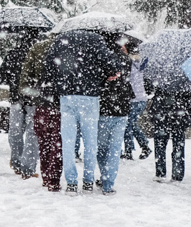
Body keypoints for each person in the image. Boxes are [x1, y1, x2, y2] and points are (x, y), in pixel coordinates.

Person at [47, 29, 129, 193]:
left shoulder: (61, 39)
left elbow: (49, 66)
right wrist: (107, 75)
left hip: (67, 96)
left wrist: (59, 84)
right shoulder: (95, 39)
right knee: (90, 143)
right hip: (89, 96)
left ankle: (71, 182)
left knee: (68, 142)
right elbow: (112, 64)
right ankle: (88, 180)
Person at [18, 36, 62, 191]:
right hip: (60, 103)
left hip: (42, 103)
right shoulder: (68, 48)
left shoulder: (39, 49)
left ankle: (46, 176)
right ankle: (53, 178)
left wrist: (34, 93)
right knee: (56, 143)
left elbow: (25, 79)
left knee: (43, 141)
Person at [94, 36, 136, 195]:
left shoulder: (101, 59)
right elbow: (126, 81)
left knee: (102, 148)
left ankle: (104, 175)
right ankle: (108, 182)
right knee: (114, 148)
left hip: (104, 108)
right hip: (122, 108)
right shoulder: (126, 60)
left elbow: (98, 82)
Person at [1, 31, 41, 177]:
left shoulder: (13, 54)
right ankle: (28, 166)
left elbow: (3, 75)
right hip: (33, 99)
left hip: (16, 98)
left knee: (15, 132)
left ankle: (16, 161)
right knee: (32, 133)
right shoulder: (39, 55)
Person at [149, 86, 191, 183]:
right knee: (178, 147)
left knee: (160, 146)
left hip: (162, 115)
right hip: (179, 115)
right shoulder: (185, 82)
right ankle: (177, 174)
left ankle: (160, 173)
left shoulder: (161, 81)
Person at [126, 54, 153, 159]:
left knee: (128, 124)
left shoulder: (131, 66)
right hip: (141, 99)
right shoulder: (140, 65)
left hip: (134, 99)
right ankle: (142, 147)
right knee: (130, 124)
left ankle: (131, 150)